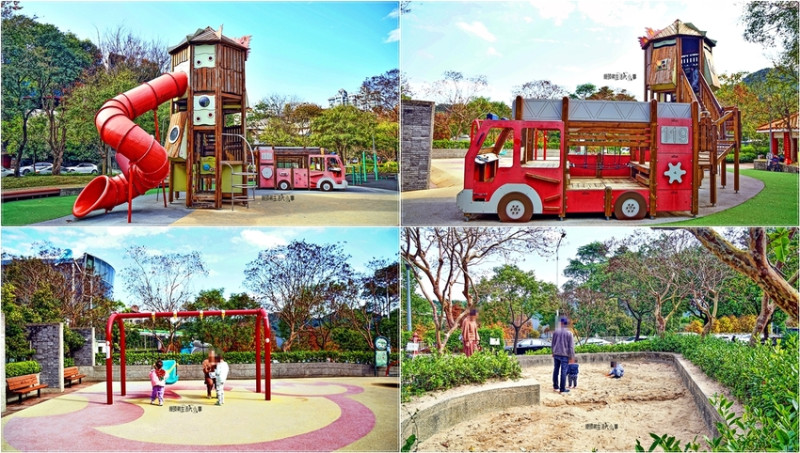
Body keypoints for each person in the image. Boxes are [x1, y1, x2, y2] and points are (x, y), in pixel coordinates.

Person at [551, 317, 575, 393]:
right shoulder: (569, 333)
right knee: (563, 372)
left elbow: (553, 343)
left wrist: (553, 352)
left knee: (556, 370)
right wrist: (572, 357)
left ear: (561, 323)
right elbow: (571, 347)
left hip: (556, 354)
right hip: (565, 355)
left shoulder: (556, 332)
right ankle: (562, 389)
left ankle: (555, 386)